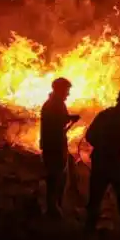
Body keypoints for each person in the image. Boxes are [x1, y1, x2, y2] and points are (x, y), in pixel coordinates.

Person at [84, 88, 120, 233]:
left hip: (102, 161)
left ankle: (88, 229)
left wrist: (101, 147)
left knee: (95, 198)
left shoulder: (105, 115)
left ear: (118, 99)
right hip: (119, 165)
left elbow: (90, 136)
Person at [39, 78, 80, 219]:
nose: (68, 94)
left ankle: (55, 206)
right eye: (67, 90)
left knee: (57, 176)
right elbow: (57, 122)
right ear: (60, 89)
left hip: (53, 144)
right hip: (54, 146)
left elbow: (58, 120)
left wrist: (69, 118)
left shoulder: (53, 103)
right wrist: (69, 118)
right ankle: (53, 209)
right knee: (56, 177)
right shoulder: (55, 104)